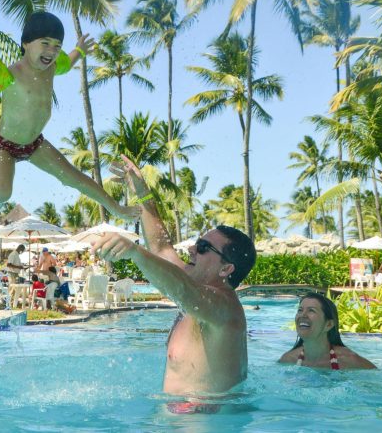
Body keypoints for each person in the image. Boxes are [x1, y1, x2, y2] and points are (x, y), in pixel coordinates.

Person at [91, 155, 257, 409]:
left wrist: (134, 252)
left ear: (227, 268)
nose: (191, 248)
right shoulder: (196, 286)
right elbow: (160, 247)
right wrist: (143, 193)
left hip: (204, 424)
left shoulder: (225, 308)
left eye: (202, 247)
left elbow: (181, 289)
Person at [0, 11, 139, 246]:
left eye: (57, 46)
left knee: (76, 178)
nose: (52, 51)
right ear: (25, 44)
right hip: (4, 144)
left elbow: (69, 61)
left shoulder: (53, 67)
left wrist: (80, 50)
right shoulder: (10, 72)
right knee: (3, 192)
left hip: (35, 143)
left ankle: (116, 208)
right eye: (45, 43)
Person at [279, 292, 376, 370]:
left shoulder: (348, 360)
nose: (303, 315)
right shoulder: (288, 360)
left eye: (311, 310)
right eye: (300, 310)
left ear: (328, 325)